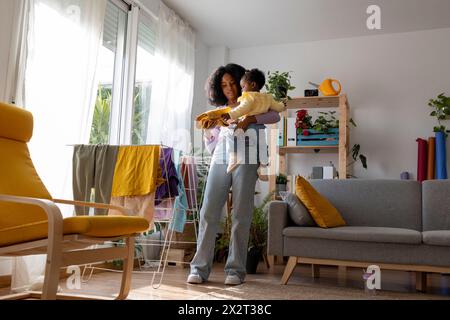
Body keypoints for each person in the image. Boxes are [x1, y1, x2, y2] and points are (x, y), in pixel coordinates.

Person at [188, 63, 281, 286]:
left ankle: (236, 270)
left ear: (241, 82)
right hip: (222, 153)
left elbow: (275, 116)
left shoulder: (253, 101)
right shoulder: (220, 109)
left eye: (232, 83)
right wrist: (214, 130)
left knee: (241, 212)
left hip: (248, 151)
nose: (229, 88)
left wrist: (250, 119)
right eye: (224, 84)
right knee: (209, 209)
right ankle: (199, 268)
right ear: (217, 87)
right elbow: (211, 142)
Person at [221, 68, 286, 173]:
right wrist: (283, 106)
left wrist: (230, 114)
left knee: (230, 134)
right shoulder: (267, 98)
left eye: (243, 86)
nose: (242, 90)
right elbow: (277, 107)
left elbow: (243, 109)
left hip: (248, 128)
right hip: (259, 127)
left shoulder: (248, 97)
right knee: (262, 145)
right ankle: (264, 163)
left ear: (253, 84)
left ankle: (233, 157)